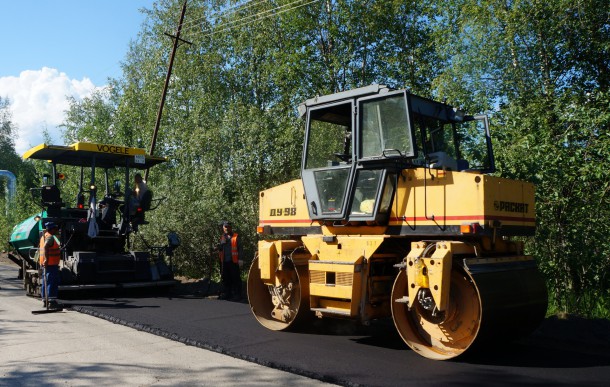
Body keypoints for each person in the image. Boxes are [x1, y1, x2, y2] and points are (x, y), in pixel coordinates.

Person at [217, 221, 243, 300]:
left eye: (228, 227)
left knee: (235, 278)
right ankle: (227, 293)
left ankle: (237, 294)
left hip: (233, 261)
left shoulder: (236, 237)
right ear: (223, 228)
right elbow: (220, 248)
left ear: (231, 227)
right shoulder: (222, 237)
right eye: (225, 227)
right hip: (224, 262)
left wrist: (240, 259)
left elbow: (240, 249)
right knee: (226, 278)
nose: (226, 228)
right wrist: (219, 246)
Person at [39, 221, 61, 308]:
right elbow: (45, 247)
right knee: (52, 281)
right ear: (52, 229)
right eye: (55, 228)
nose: (57, 230)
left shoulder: (44, 236)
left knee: (46, 281)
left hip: (47, 263)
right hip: (50, 263)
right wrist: (47, 259)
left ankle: (45, 300)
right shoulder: (50, 237)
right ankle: (51, 301)